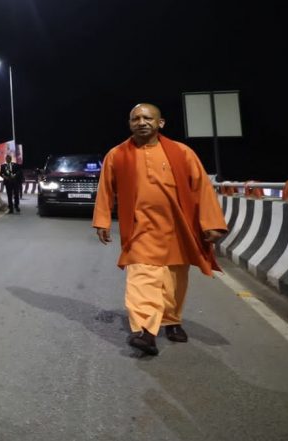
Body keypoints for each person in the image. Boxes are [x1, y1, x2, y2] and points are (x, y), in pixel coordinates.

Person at [92, 103, 227, 356]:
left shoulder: (181, 152)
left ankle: (172, 320)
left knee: (174, 279)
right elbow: (106, 188)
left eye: (147, 118)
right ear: (129, 123)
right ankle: (145, 331)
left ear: (160, 123)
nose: (141, 122)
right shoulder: (117, 154)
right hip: (140, 228)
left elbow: (202, 189)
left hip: (178, 227)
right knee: (141, 275)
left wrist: (212, 223)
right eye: (135, 118)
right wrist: (102, 220)